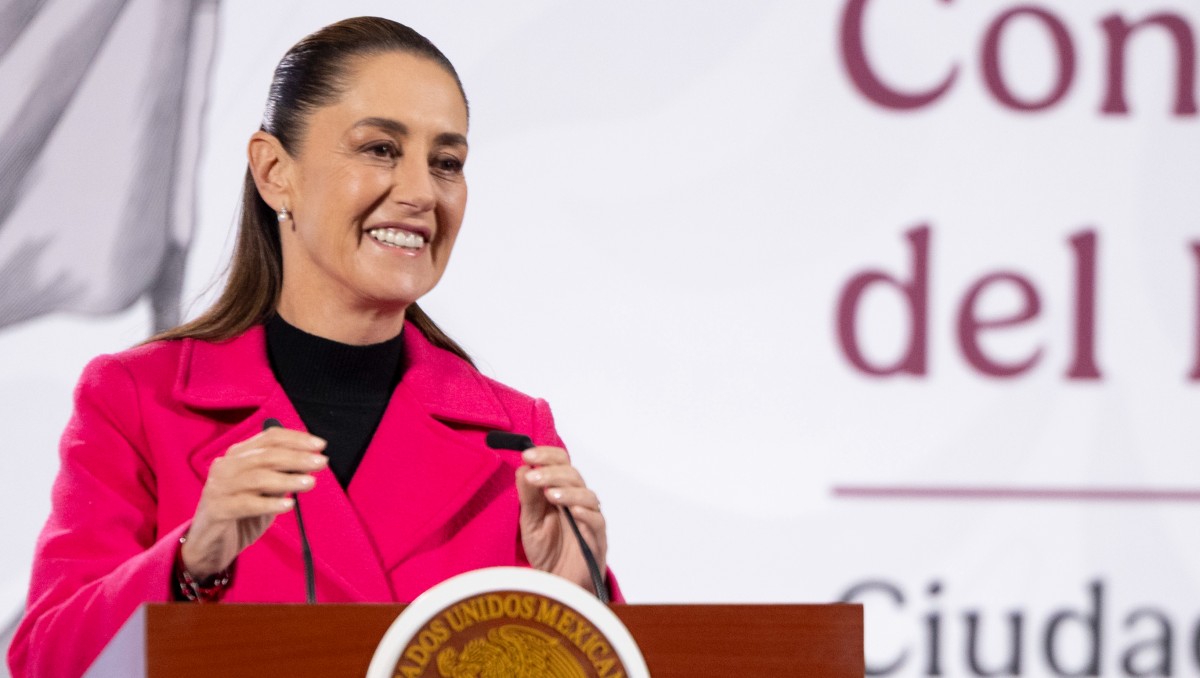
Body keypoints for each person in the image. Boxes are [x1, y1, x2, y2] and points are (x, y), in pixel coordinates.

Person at [8, 17, 615, 678]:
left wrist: (573, 603)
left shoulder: (514, 435)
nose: (420, 193)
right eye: (380, 149)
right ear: (274, 173)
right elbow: (45, 660)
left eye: (446, 162)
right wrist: (189, 562)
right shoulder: (136, 398)